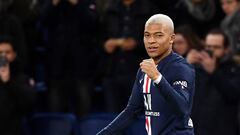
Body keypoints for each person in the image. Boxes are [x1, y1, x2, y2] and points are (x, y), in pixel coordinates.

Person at [97, 14, 195, 135]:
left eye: (158, 35)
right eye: (147, 35)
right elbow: (131, 112)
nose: (151, 41)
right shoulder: (145, 69)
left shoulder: (180, 67)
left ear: (171, 38)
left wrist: (157, 78)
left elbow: (182, 109)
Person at [188, 28, 240, 135]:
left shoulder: (234, 69)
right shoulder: (197, 68)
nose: (210, 50)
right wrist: (185, 65)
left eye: (216, 47)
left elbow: (233, 94)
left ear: (226, 49)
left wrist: (214, 72)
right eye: (208, 46)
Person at [0, 36, 36, 135]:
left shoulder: (23, 79)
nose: (3, 57)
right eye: (0, 53)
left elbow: (30, 103)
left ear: (14, 55)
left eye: (7, 53)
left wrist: (8, 82)